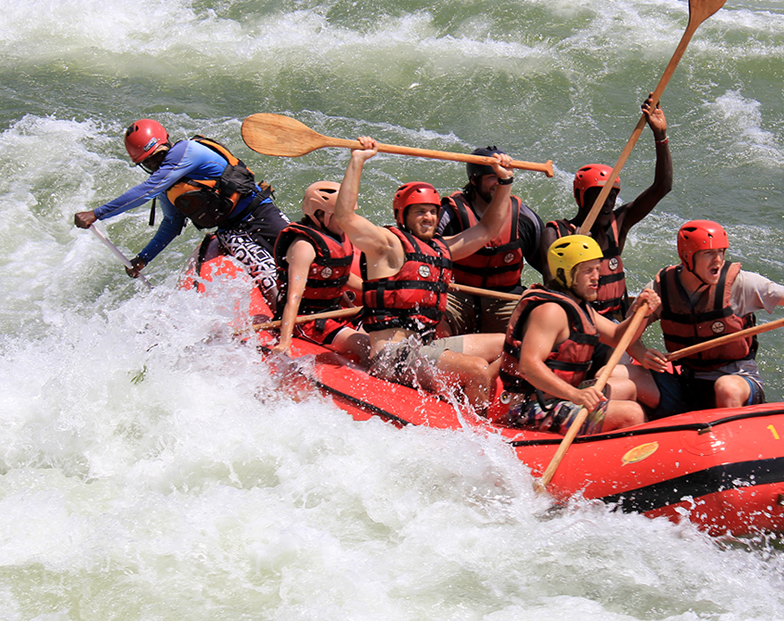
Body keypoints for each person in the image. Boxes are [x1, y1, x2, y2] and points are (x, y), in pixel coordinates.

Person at [332, 136, 515, 413]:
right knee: (477, 368)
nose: (428, 217)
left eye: (432, 212)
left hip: (425, 345)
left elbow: (488, 229)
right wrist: (357, 160)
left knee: (510, 342)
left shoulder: (442, 248)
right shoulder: (386, 246)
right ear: (402, 216)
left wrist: (505, 182)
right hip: (390, 357)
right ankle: (476, 427)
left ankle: (468, 397)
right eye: (419, 212)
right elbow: (346, 216)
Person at [73, 119, 289, 304]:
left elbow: (146, 191)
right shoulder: (167, 186)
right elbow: (171, 224)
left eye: (157, 156)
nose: (155, 164)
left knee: (302, 255)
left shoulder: (187, 150)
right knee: (271, 283)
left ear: (166, 144)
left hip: (260, 212)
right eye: (147, 163)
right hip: (231, 232)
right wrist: (143, 258)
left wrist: (97, 213)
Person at [646, 220, 784, 416]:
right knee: (624, 378)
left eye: (721, 252)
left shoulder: (743, 284)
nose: (718, 260)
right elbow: (625, 333)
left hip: (736, 379)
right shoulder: (661, 287)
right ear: (687, 256)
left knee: (726, 388)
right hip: (687, 381)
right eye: (708, 253)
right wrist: (642, 354)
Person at [497, 235, 663, 434]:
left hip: (558, 398)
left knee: (628, 387)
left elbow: (619, 337)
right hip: (530, 408)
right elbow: (528, 366)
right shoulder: (551, 311)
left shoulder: (580, 307)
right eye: (587, 271)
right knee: (632, 413)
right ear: (565, 274)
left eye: (597, 268)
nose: (596, 277)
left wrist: (641, 313)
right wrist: (575, 394)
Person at [539, 95, 671, 321]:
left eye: (613, 195)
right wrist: (576, 251)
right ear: (581, 197)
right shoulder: (556, 234)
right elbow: (552, 284)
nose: (609, 202)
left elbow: (662, 187)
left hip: (616, 321)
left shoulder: (620, 222)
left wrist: (660, 136)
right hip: (577, 322)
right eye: (600, 195)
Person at [436, 148, 545, 334]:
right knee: (434, 315)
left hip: (504, 297)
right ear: (474, 181)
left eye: (500, 177)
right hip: (458, 294)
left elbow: (547, 266)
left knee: (538, 320)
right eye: (491, 177)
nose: (497, 182)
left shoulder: (524, 218)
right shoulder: (449, 215)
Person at [271, 181, 369, 364]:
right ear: (320, 214)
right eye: (341, 215)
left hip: (333, 312)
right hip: (306, 320)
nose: (348, 220)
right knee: (367, 345)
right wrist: (284, 342)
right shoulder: (304, 246)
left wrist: (381, 292)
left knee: (383, 335)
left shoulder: (338, 237)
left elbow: (343, 278)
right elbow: (294, 296)